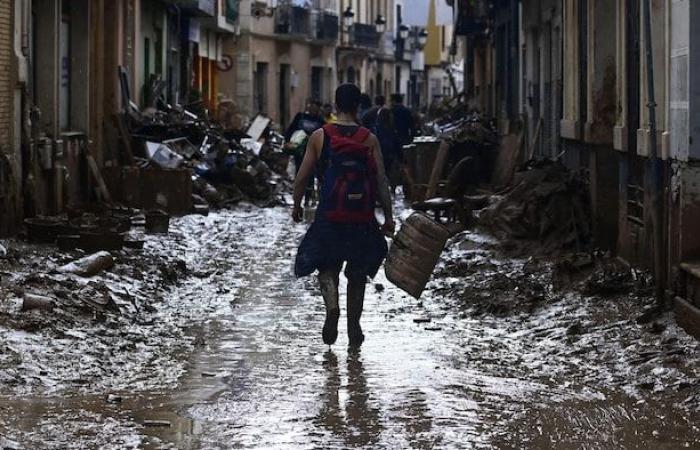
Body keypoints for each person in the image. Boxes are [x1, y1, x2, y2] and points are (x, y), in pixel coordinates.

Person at [293, 84, 395, 347]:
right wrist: (388, 216)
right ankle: (354, 328)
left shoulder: (319, 136)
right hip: (361, 218)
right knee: (357, 273)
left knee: (326, 266)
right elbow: (381, 180)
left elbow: (302, 176)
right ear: (357, 106)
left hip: (329, 216)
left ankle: (332, 308)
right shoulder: (369, 138)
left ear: (336, 105)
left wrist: (296, 205)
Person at [285, 100, 325, 206]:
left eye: (315, 107)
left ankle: (307, 197)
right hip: (299, 151)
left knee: (310, 175)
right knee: (299, 173)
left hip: (313, 152)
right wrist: (287, 141)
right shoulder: (300, 117)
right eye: (311, 106)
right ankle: (297, 199)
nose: (312, 109)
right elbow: (290, 129)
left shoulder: (320, 121)